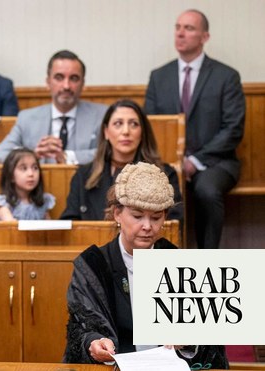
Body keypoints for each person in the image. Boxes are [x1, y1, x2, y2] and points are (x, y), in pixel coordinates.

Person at [63, 162, 228, 368]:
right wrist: (94, 342)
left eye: (156, 217)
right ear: (117, 214)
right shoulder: (92, 266)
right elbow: (81, 328)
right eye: (137, 216)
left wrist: (188, 339)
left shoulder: (179, 263)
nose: (148, 227)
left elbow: (210, 338)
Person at [144, 9, 245, 249]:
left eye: (188, 28)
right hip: (167, 162)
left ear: (205, 37)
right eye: (178, 27)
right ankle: (161, 259)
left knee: (207, 191)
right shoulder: (159, 77)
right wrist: (172, 162)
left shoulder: (226, 76)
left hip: (216, 162)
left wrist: (195, 161)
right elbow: (150, 125)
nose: (180, 33)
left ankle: (206, 259)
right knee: (152, 190)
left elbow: (233, 129)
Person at [61, 100, 183, 223]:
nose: (126, 131)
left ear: (142, 132)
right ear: (106, 132)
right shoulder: (83, 175)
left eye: (134, 124)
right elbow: (71, 225)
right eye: (118, 123)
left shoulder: (164, 175)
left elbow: (173, 225)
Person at [0, 50, 106, 165]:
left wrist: (68, 157)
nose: (66, 86)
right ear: (48, 82)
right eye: (59, 78)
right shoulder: (27, 119)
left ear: (83, 84)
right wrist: (32, 156)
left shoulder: (102, 115)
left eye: (74, 78)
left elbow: (114, 153)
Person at [0, 148, 55, 220]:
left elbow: (49, 229)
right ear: (11, 176)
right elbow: (12, 228)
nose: (31, 174)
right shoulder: (3, 203)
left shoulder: (43, 201)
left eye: (35, 168)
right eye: (23, 168)